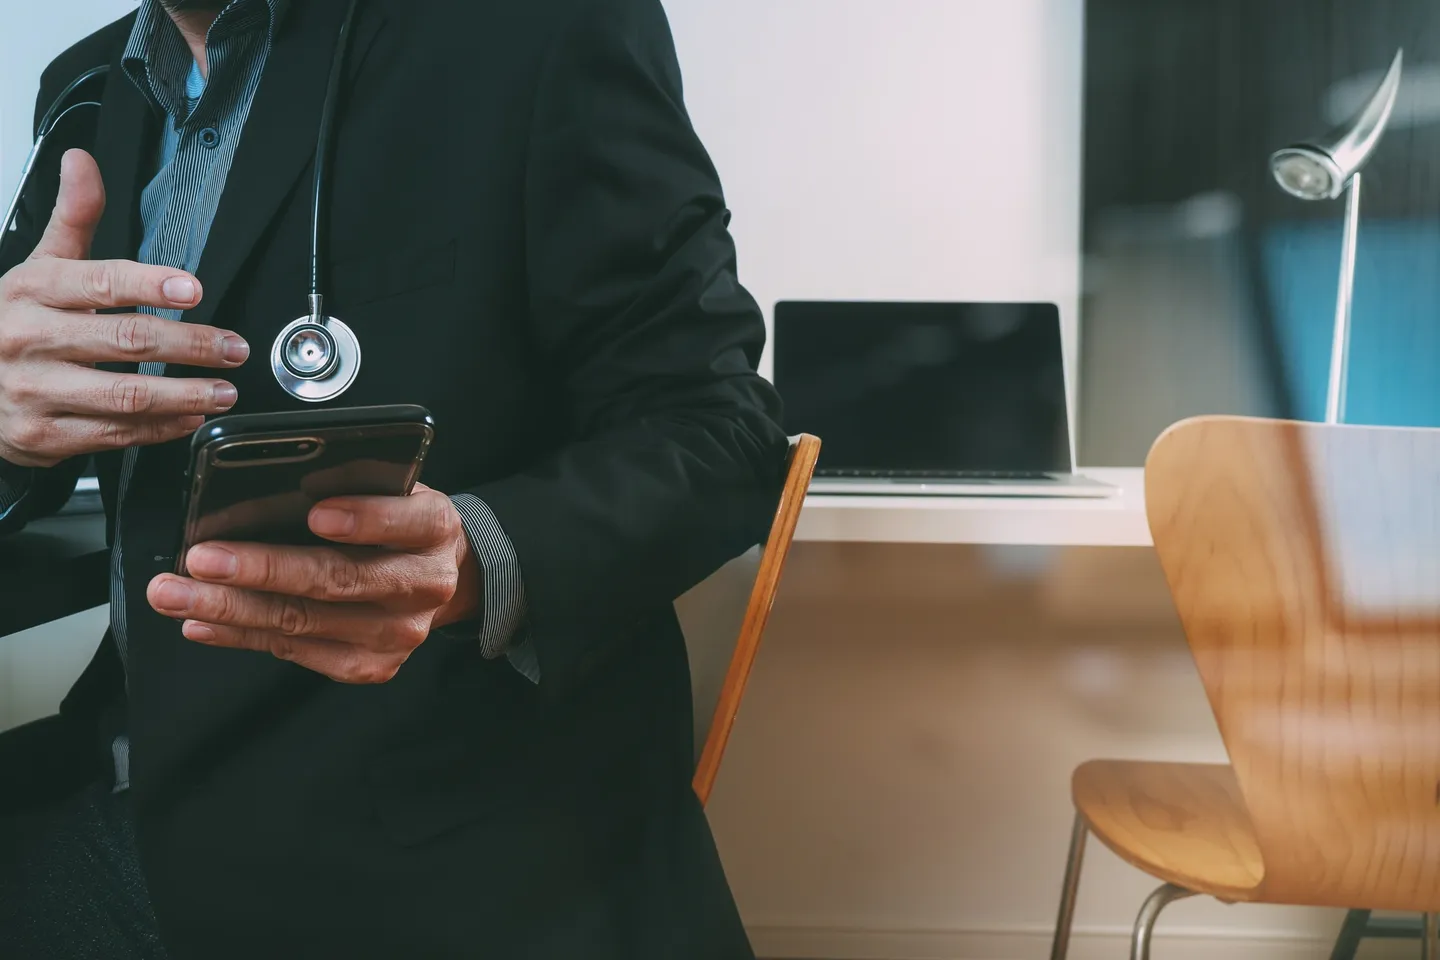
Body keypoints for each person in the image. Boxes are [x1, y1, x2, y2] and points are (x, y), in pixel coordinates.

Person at [0, 0, 787, 957]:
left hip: (438, 845)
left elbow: (720, 429)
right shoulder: (84, 86)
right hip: (121, 798)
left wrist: (480, 557)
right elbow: (36, 394)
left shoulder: (543, 27)